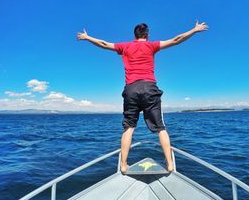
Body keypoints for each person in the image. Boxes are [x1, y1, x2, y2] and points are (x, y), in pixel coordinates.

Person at [77, 21, 208, 173]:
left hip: (131, 89)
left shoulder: (125, 46)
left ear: (134, 35)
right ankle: (170, 164)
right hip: (149, 87)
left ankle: (124, 165)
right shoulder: (151, 45)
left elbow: (104, 44)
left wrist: (88, 37)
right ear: (147, 35)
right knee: (160, 128)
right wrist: (194, 30)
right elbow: (176, 40)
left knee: (128, 128)